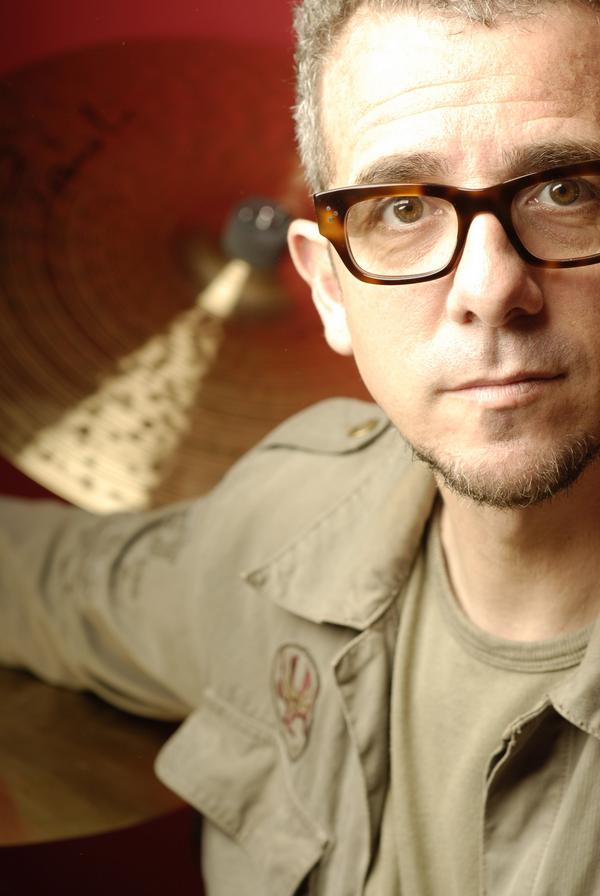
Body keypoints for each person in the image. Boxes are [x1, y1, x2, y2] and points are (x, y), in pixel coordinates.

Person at [3, 0, 600, 892]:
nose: (489, 286)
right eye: (403, 207)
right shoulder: (286, 525)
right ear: (327, 288)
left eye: (567, 190)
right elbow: (56, 582)